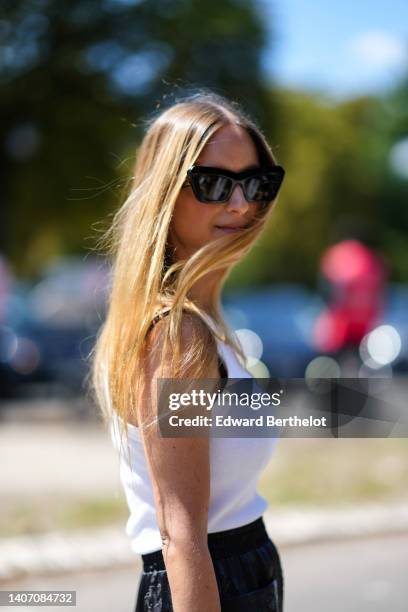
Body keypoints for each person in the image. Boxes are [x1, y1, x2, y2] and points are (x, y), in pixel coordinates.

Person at [90, 90, 286, 611]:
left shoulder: (207, 325)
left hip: (241, 571)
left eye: (255, 183)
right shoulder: (179, 336)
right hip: (209, 583)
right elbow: (181, 538)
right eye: (215, 183)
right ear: (165, 194)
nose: (241, 203)